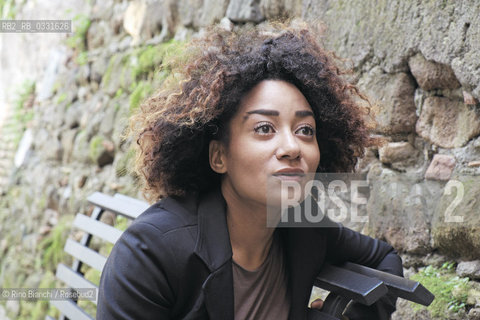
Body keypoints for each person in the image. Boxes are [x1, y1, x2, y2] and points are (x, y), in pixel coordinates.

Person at [97, 23, 403, 320]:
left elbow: (384, 259)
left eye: (305, 130)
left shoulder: (303, 226)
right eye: (264, 128)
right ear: (219, 157)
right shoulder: (151, 252)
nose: (292, 147)